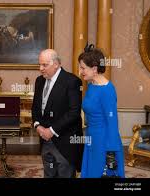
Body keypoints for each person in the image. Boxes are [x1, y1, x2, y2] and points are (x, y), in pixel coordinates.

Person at [32, 49, 83, 178]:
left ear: (56, 64)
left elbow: (74, 113)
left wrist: (52, 130)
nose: (41, 68)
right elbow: (35, 109)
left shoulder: (72, 81)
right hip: (45, 142)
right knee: (49, 173)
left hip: (65, 144)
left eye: (44, 65)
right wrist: (38, 126)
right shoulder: (39, 81)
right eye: (40, 65)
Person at [78, 44, 125, 178]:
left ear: (94, 69)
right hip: (91, 137)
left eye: (83, 68)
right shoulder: (91, 86)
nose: (81, 71)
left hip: (104, 142)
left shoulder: (107, 90)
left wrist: (110, 152)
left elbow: (112, 122)